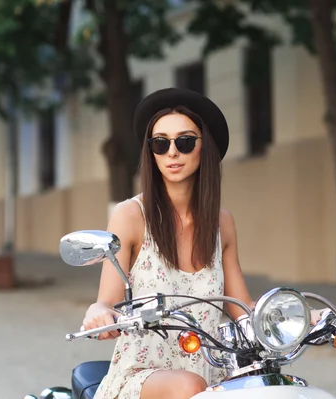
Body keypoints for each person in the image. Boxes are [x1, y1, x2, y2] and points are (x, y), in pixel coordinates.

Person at [81, 88, 256, 399]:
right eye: (160, 143)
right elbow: (106, 301)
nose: (172, 152)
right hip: (145, 375)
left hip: (213, 374)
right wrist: (99, 313)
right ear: (151, 152)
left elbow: (242, 309)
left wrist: (299, 314)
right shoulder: (131, 215)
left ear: (205, 148)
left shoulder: (222, 223)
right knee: (189, 386)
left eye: (185, 141)